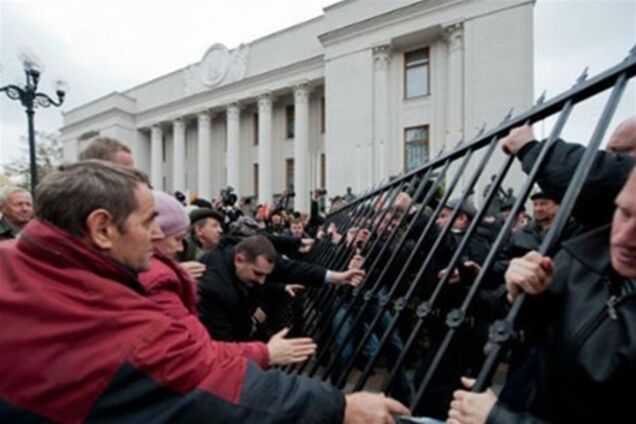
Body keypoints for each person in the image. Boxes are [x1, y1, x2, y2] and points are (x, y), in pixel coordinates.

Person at [0, 160, 409, 423]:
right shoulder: (123, 326)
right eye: (148, 222)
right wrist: (341, 407)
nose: (157, 235)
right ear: (102, 229)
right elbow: (214, 387)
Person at [448, 127, 636, 423]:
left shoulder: (578, 235)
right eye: (623, 213)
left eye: (618, 155)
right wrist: (528, 296)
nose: (624, 236)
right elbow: (563, 340)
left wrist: (499, 418)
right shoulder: (588, 251)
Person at [139, 190, 317, 368]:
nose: (220, 230)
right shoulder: (184, 270)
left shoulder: (221, 250)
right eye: (214, 225)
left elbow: (258, 243)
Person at [197, 234, 365, 342]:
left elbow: (293, 269)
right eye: (257, 274)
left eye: (266, 275)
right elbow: (222, 347)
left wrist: (335, 277)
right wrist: (267, 353)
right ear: (239, 260)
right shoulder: (214, 288)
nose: (262, 281)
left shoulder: (245, 253)